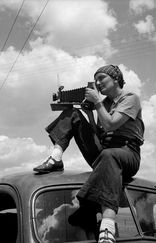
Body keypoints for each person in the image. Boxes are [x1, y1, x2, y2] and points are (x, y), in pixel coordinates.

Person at [33, 64, 144, 243]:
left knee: (110, 156)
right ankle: (56, 156)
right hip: (105, 152)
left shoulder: (130, 98)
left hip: (127, 153)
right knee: (74, 114)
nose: (98, 83)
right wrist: (88, 113)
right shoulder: (105, 104)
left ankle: (106, 227)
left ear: (115, 79)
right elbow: (100, 132)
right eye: (96, 80)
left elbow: (111, 125)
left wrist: (97, 103)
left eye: (102, 78)